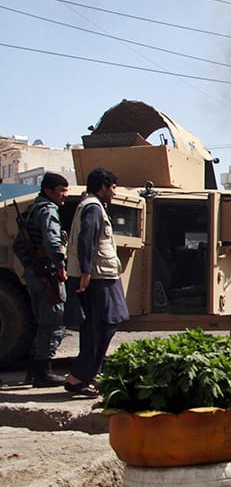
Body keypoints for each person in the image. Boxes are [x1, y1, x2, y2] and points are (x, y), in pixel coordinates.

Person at [63, 168, 129, 397]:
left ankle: (88, 375)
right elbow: (87, 239)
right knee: (103, 324)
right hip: (99, 276)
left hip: (101, 274)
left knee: (100, 326)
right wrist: (85, 272)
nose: (114, 192)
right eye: (112, 187)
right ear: (102, 187)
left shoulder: (92, 205)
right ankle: (78, 377)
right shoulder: (92, 207)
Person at [17, 172, 70, 387]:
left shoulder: (31, 210)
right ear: (48, 191)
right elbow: (52, 241)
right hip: (48, 274)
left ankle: (34, 371)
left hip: (36, 272)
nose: (64, 196)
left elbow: (18, 246)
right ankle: (43, 372)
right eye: (61, 191)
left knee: (43, 322)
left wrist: (31, 265)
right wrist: (60, 266)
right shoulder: (48, 210)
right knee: (54, 321)